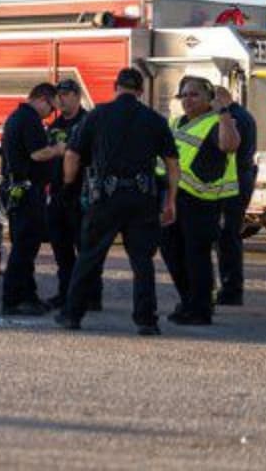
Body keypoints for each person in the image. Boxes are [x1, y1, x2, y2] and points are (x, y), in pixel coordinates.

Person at [55, 68, 178, 335]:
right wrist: (171, 201)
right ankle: (146, 320)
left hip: (105, 199)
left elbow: (72, 155)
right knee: (142, 262)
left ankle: (72, 315)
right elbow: (172, 163)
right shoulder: (155, 120)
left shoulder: (97, 115)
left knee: (89, 257)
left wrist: (68, 185)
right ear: (141, 91)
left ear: (116, 87)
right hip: (142, 199)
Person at [159, 76, 241, 326]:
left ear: (208, 99)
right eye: (183, 95)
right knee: (171, 252)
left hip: (201, 202)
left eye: (194, 94)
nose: (187, 100)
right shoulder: (176, 123)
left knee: (196, 256)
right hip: (172, 198)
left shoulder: (217, 122)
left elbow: (230, 145)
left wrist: (224, 113)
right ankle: (188, 301)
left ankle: (200, 309)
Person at [0, 82, 62, 316]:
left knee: (26, 246)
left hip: (20, 191)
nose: (51, 113)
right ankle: (12, 300)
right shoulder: (29, 120)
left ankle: (28, 296)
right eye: (52, 108)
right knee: (24, 248)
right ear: (44, 99)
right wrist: (58, 149)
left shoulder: (19, 117)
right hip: (26, 193)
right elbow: (38, 153)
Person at [44, 79, 101, 311]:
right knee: (61, 247)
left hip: (82, 194)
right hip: (58, 193)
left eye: (67, 94)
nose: (63, 98)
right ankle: (65, 292)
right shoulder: (54, 126)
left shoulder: (88, 122)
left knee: (85, 247)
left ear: (78, 96)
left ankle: (92, 296)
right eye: (60, 94)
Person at [213, 85, 256, 306]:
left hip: (232, 185)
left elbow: (226, 149)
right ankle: (230, 288)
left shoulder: (232, 118)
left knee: (227, 237)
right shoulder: (244, 115)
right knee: (229, 236)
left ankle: (231, 289)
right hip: (242, 180)